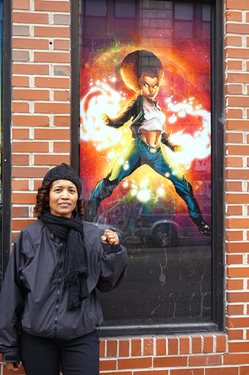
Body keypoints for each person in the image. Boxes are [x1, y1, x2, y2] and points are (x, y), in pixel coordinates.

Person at [0, 163, 128, 375]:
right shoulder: (29, 237)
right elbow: (12, 293)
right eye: (58, 190)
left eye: (71, 190)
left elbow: (107, 282)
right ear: (47, 196)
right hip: (37, 338)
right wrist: (9, 345)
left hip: (81, 336)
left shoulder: (93, 236)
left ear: (77, 197)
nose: (65, 196)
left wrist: (112, 251)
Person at [86, 50, 210, 235]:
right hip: (138, 149)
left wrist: (172, 146)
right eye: (146, 85)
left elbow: (161, 131)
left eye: (155, 85)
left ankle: (201, 224)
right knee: (111, 180)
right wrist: (110, 122)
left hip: (157, 152)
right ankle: (88, 220)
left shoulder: (158, 108)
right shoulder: (138, 102)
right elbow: (122, 119)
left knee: (183, 185)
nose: (151, 89)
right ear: (139, 86)